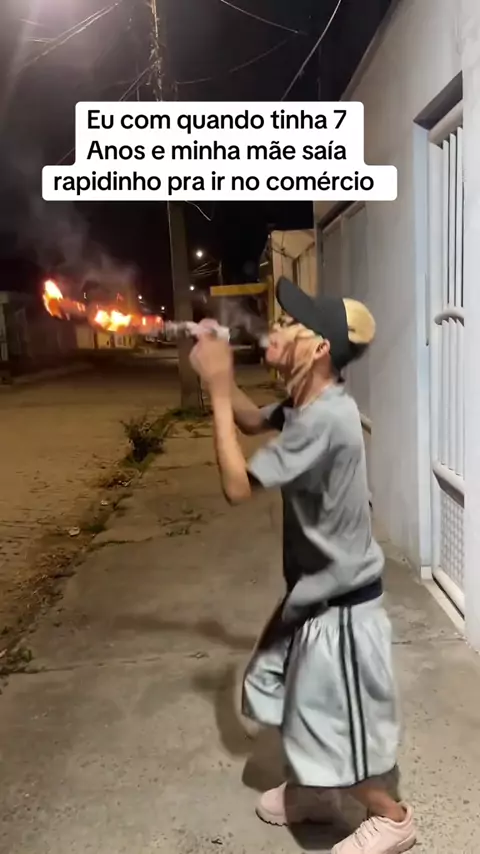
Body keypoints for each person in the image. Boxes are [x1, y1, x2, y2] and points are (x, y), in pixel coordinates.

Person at [189, 277, 417, 854]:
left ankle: (392, 819)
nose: (277, 326)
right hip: (313, 595)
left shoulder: (325, 421)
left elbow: (237, 486)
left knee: (335, 726)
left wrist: (216, 389)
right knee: (284, 693)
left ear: (319, 349)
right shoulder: (305, 404)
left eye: (292, 323)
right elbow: (249, 420)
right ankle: (317, 793)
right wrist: (221, 375)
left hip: (341, 609)